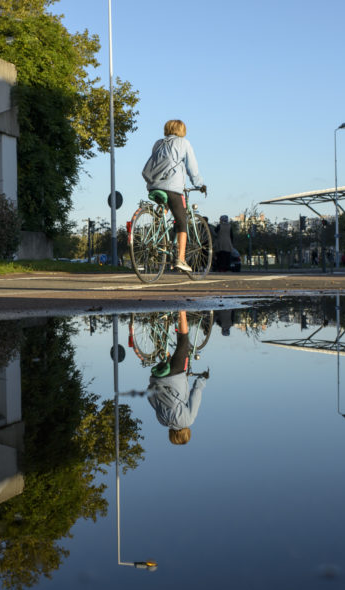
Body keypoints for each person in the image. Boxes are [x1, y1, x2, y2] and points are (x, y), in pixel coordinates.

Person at [144, 120, 205, 273]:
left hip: (153, 186)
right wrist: (199, 184)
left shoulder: (158, 143)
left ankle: (157, 232)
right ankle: (181, 259)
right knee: (182, 221)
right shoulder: (183, 143)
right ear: (182, 130)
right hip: (172, 187)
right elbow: (192, 168)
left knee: (166, 206)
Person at [145, 311, 210, 445]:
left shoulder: (187, 421)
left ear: (186, 433)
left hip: (175, 376)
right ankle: (155, 327)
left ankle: (182, 312)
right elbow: (153, 401)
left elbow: (195, 396)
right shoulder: (162, 421)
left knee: (183, 343)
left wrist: (202, 380)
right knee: (164, 353)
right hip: (156, 379)